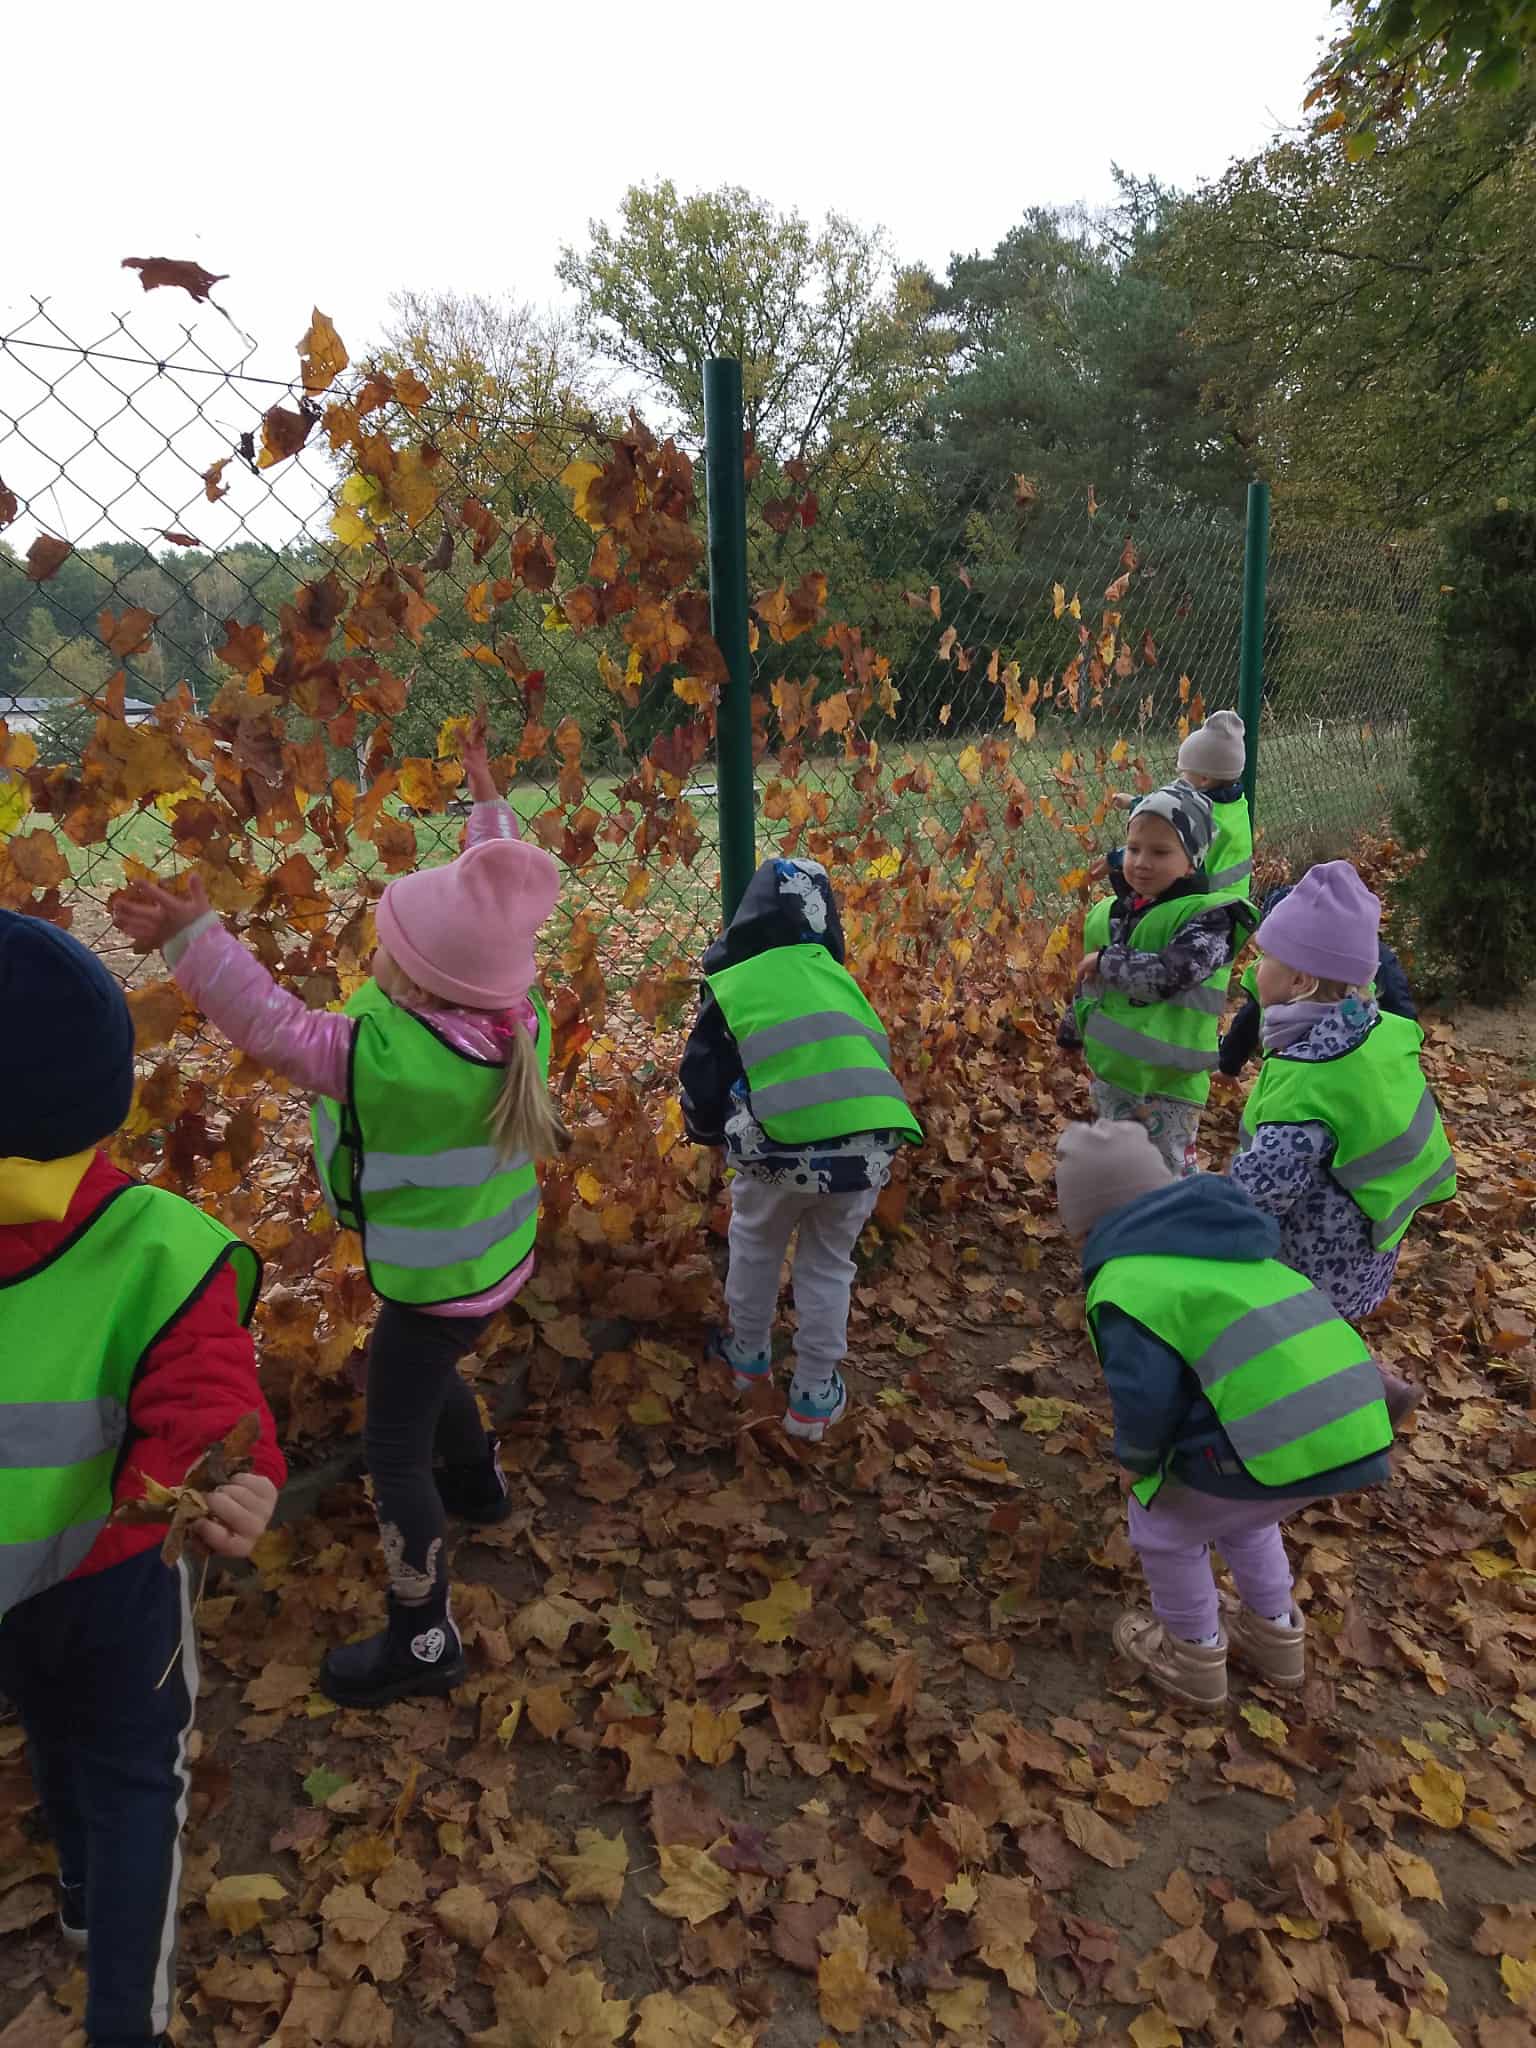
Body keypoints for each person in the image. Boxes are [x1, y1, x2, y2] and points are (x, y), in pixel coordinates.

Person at [113, 718, 562, 1709]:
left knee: (392, 1449)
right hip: (491, 1265)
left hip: (433, 1282)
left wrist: (193, 938)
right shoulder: (514, 1015)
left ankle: (424, 1634)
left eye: (389, 946)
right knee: (429, 1368)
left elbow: (273, 1026)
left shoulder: (388, 1061)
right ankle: (480, 1486)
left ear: (415, 981)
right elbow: (500, 898)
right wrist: (486, 801)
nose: (378, 956)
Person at [0, 909, 283, 2048]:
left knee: (46, 1725)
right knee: (132, 1780)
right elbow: (210, 1401)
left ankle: (75, 1888)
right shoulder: (158, 1244)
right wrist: (232, 1477)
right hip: (118, 1583)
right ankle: (130, 2019)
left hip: (12, 1591)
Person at [1056, 1118, 1393, 1706]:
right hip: (1345, 1427)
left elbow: (1145, 1393)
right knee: (1243, 1514)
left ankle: (1191, 1653)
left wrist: (1137, 1462)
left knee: (1165, 1525)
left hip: (1271, 1435)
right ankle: (1276, 1634)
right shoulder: (1234, 1251)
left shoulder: (1127, 1282)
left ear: (1089, 1225)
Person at [680, 856, 922, 1441]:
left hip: (777, 1149)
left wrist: (708, 1130)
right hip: (866, 1149)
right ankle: (813, 1393)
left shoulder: (736, 982)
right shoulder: (838, 979)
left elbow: (703, 1073)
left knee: (757, 1244)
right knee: (829, 1263)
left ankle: (747, 1357)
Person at [1229, 863, 1455, 1416]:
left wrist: (1212, 1204)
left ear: (1300, 983)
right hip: (1366, 1236)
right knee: (1320, 1329)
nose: (1254, 969)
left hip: (1317, 1249)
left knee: (1286, 1333)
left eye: (1266, 958)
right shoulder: (1369, 1027)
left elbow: (1264, 1188)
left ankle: (1337, 1409)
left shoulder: (1312, 1074)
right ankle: (1374, 1387)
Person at [1061, 783, 1256, 1177]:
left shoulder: (1208, 918)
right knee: (1118, 1167)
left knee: (1166, 1172)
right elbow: (1091, 985)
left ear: (1193, 862)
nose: (1141, 863)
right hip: (1113, 1073)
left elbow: (1172, 974)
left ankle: (1173, 1218)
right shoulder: (1114, 912)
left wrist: (1109, 962)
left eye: (1160, 852)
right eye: (1133, 849)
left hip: (1170, 1083)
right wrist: (1072, 1031)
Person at [1218, 880, 1417, 1076]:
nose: (1257, 965)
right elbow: (1248, 1022)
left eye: (1267, 953)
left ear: (1300, 980)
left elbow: (1249, 1020)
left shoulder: (1298, 1076)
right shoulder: (1364, 967)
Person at [1112, 709, 1252, 895]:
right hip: (1238, 899)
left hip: (1207, 904)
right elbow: (1171, 813)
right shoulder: (1237, 803)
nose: (1179, 778)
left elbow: (1164, 822)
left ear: (1204, 779)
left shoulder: (1203, 816)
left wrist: (1113, 859)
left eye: (1184, 773)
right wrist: (1134, 802)